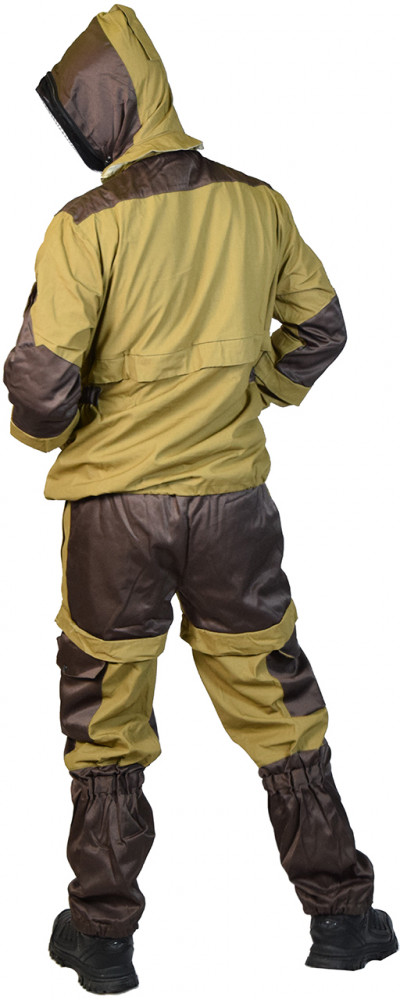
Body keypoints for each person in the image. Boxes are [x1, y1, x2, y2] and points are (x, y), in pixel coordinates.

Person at [3, 3, 397, 994]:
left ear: (107, 108)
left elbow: (41, 390)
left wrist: (62, 430)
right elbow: (321, 329)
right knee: (277, 699)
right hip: (232, 509)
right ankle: (342, 918)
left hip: (114, 515)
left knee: (104, 711)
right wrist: (256, 391)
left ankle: (102, 937)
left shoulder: (82, 225)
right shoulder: (259, 204)